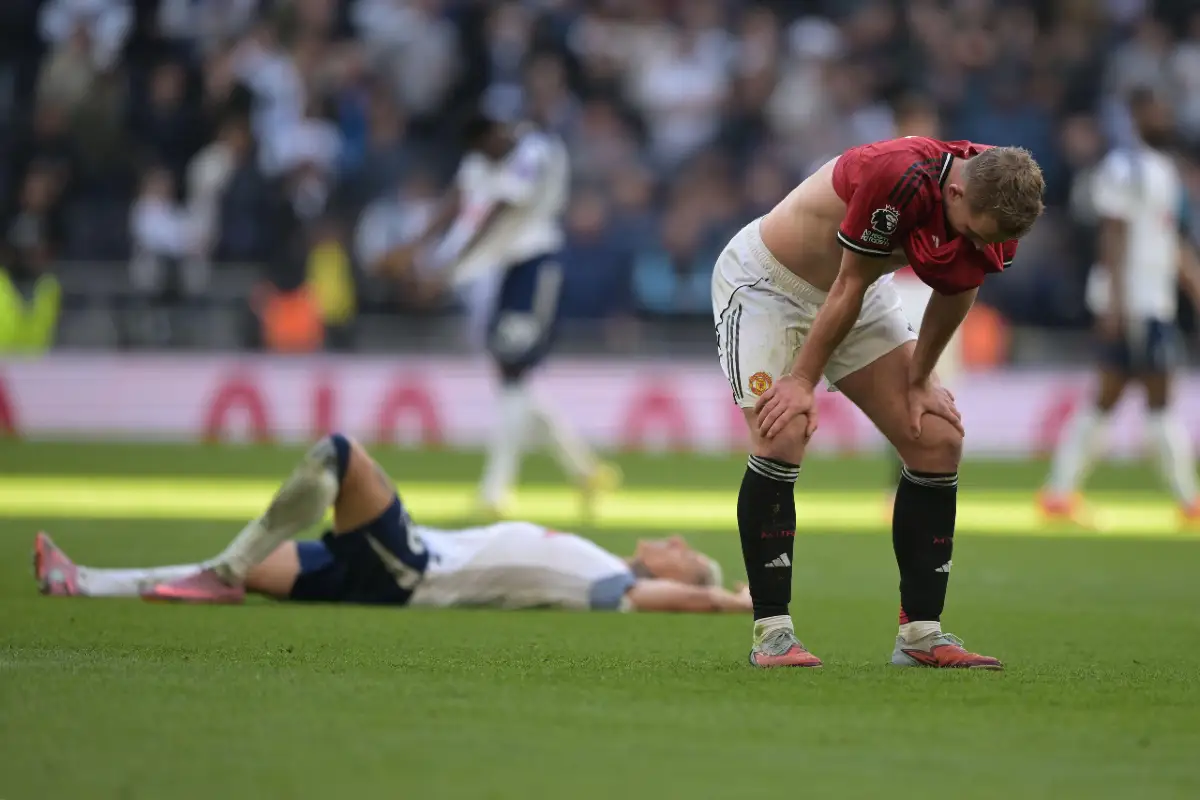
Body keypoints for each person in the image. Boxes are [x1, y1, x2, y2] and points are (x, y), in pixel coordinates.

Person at [712, 136, 1044, 669]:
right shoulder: (899, 176)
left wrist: (919, 380)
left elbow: (959, 286)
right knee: (784, 428)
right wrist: (801, 379)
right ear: (955, 193)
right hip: (769, 288)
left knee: (936, 437)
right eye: (970, 232)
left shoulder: (1002, 200)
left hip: (859, 296)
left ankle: (921, 634)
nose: (981, 245)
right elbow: (846, 283)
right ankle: (772, 634)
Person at [33, 434, 749, 614]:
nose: (680, 546)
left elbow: (660, 601)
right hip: (394, 566)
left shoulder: (611, 584)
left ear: (680, 579)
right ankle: (81, 581)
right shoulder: (600, 565)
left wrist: (733, 600)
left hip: (411, 566)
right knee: (247, 565)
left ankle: (220, 577)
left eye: (691, 557)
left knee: (342, 455)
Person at [402, 107, 620, 520]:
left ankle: (496, 488)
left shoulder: (533, 152)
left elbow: (495, 211)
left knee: (514, 372)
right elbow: (460, 202)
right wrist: (421, 252)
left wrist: (444, 269)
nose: (482, 161)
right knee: (511, 374)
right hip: (511, 268)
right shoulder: (489, 155)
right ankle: (586, 470)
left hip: (539, 266)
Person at [1040, 88, 1200, 527]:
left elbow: (1169, 240)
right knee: (1157, 397)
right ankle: (1189, 500)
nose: (1164, 116)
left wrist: (1194, 286)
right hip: (1136, 302)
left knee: (1109, 397)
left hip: (1152, 300)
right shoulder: (1124, 168)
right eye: (1155, 109)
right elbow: (1112, 233)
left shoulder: (1164, 170)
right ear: (1136, 116)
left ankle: (1058, 493)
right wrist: (1115, 301)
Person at [886, 97, 966, 508]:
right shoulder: (888, 171)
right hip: (897, 290)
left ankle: (927, 478)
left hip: (936, 291)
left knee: (937, 387)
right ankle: (896, 484)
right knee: (904, 386)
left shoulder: (948, 175)